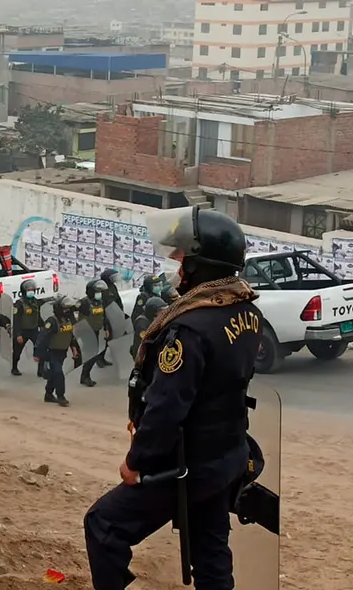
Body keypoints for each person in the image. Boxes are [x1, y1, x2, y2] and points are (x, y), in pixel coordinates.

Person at [83, 207, 263, 590]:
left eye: (183, 260)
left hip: (187, 463)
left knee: (103, 524)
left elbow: (167, 407)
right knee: (210, 549)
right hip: (226, 454)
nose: (177, 268)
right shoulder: (245, 309)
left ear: (202, 268)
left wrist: (137, 462)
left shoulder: (189, 328)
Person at [35, 295, 77, 407]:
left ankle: (48, 394)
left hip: (62, 352)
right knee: (58, 373)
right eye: (65, 308)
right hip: (51, 352)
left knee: (54, 374)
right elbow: (42, 337)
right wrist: (37, 353)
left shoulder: (68, 320)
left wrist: (74, 348)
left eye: (68, 308)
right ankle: (61, 396)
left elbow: (70, 335)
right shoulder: (52, 321)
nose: (67, 311)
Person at [78, 279, 113, 388]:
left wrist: (106, 328)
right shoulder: (84, 303)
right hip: (87, 332)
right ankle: (85, 376)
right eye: (97, 292)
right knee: (91, 355)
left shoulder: (100, 302)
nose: (99, 294)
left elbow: (104, 316)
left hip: (96, 331)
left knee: (93, 354)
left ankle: (85, 376)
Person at [11, 279, 43, 377]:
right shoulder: (19, 303)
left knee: (41, 348)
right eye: (29, 290)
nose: (31, 291)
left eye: (33, 289)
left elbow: (39, 317)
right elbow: (16, 320)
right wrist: (18, 334)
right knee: (17, 351)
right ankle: (14, 367)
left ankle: (41, 370)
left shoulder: (36, 302)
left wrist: (43, 327)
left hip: (34, 330)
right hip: (22, 331)